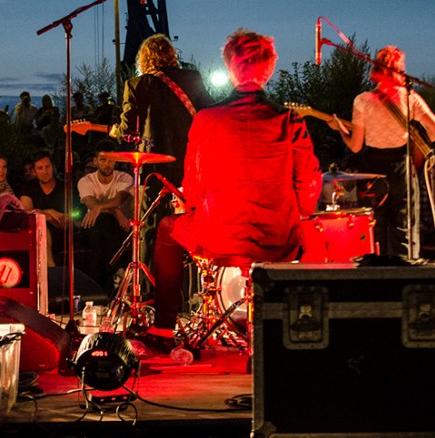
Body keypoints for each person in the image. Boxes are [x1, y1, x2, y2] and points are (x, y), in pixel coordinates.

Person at [139, 29, 321, 351]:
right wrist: (298, 216)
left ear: (229, 67)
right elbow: (308, 185)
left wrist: (197, 206)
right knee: (313, 237)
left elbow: (192, 189)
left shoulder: (207, 119)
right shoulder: (289, 120)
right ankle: (302, 328)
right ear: (269, 68)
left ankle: (163, 332)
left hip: (220, 235)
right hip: (277, 237)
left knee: (168, 230)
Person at [70, 34, 212, 263]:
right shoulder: (192, 78)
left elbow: (127, 133)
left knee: (151, 228)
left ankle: (149, 289)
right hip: (192, 167)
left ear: (144, 59)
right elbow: (208, 115)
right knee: (196, 223)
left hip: (156, 170)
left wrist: (103, 128)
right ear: (172, 55)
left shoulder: (136, 85)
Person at [325, 45, 435, 258]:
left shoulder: (363, 100)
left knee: (375, 231)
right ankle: (407, 280)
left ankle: (375, 281)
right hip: (402, 169)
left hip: (372, 171)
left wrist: (341, 130)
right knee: (405, 231)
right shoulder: (410, 98)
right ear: (400, 68)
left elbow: (355, 146)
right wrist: (417, 138)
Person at [76, 139, 133, 293]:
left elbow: (119, 199)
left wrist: (101, 207)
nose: (107, 164)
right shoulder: (85, 181)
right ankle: (117, 272)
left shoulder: (125, 178)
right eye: (103, 160)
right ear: (95, 161)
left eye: (111, 160)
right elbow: (91, 204)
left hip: (119, 228)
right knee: (103, 221)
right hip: (93, 225)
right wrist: (116, 211)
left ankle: (98, 291)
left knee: (103, 228)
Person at [19, 150, 69, 268]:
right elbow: (27, 214)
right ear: (35, 171)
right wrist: (50, 212)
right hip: (36, 233)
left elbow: (67, 222)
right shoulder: (28, 188)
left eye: (47, 166)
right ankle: (51, 270)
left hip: (62, 235)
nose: (45, 171)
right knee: (41, 229)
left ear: (53, 166)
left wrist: (44, 215)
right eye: (40, 168)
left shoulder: (65, 187)